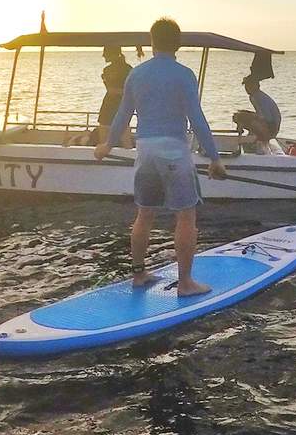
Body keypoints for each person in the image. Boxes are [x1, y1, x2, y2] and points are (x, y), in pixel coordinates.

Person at [95, 18, 227, 297]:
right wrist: (215, 158)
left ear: (152, 42)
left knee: (144, 214)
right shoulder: (184, 74)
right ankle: (186, 283)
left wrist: (107, 144)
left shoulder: (137, 75)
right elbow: (197, 119)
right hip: (174, 151)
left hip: (144, 150)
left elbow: (122, 114)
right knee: (186, 216)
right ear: (178, 44)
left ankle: (139, 274)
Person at [69, 46, 132, 147]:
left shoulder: (109, 70)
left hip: (110, 105)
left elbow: (110, 90)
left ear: (112, 54)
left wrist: (108, 83)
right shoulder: (129, 69)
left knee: (105, 136)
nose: (103, 56)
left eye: (105, 53)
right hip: (122, 104)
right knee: (124, 134)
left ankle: (104, 155)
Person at [232, 74, 282, 151]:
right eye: (246, 86)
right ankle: (252, 137)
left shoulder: (257, 97)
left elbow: (267, 118)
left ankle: (261, 139)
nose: (247, 88)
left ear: (255, 86)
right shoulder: (255, 96)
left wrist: (248, 116)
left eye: (249, 86)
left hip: (272, 127)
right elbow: (261, 114)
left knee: (240, 117)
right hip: (269, 124)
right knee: (239, 116)